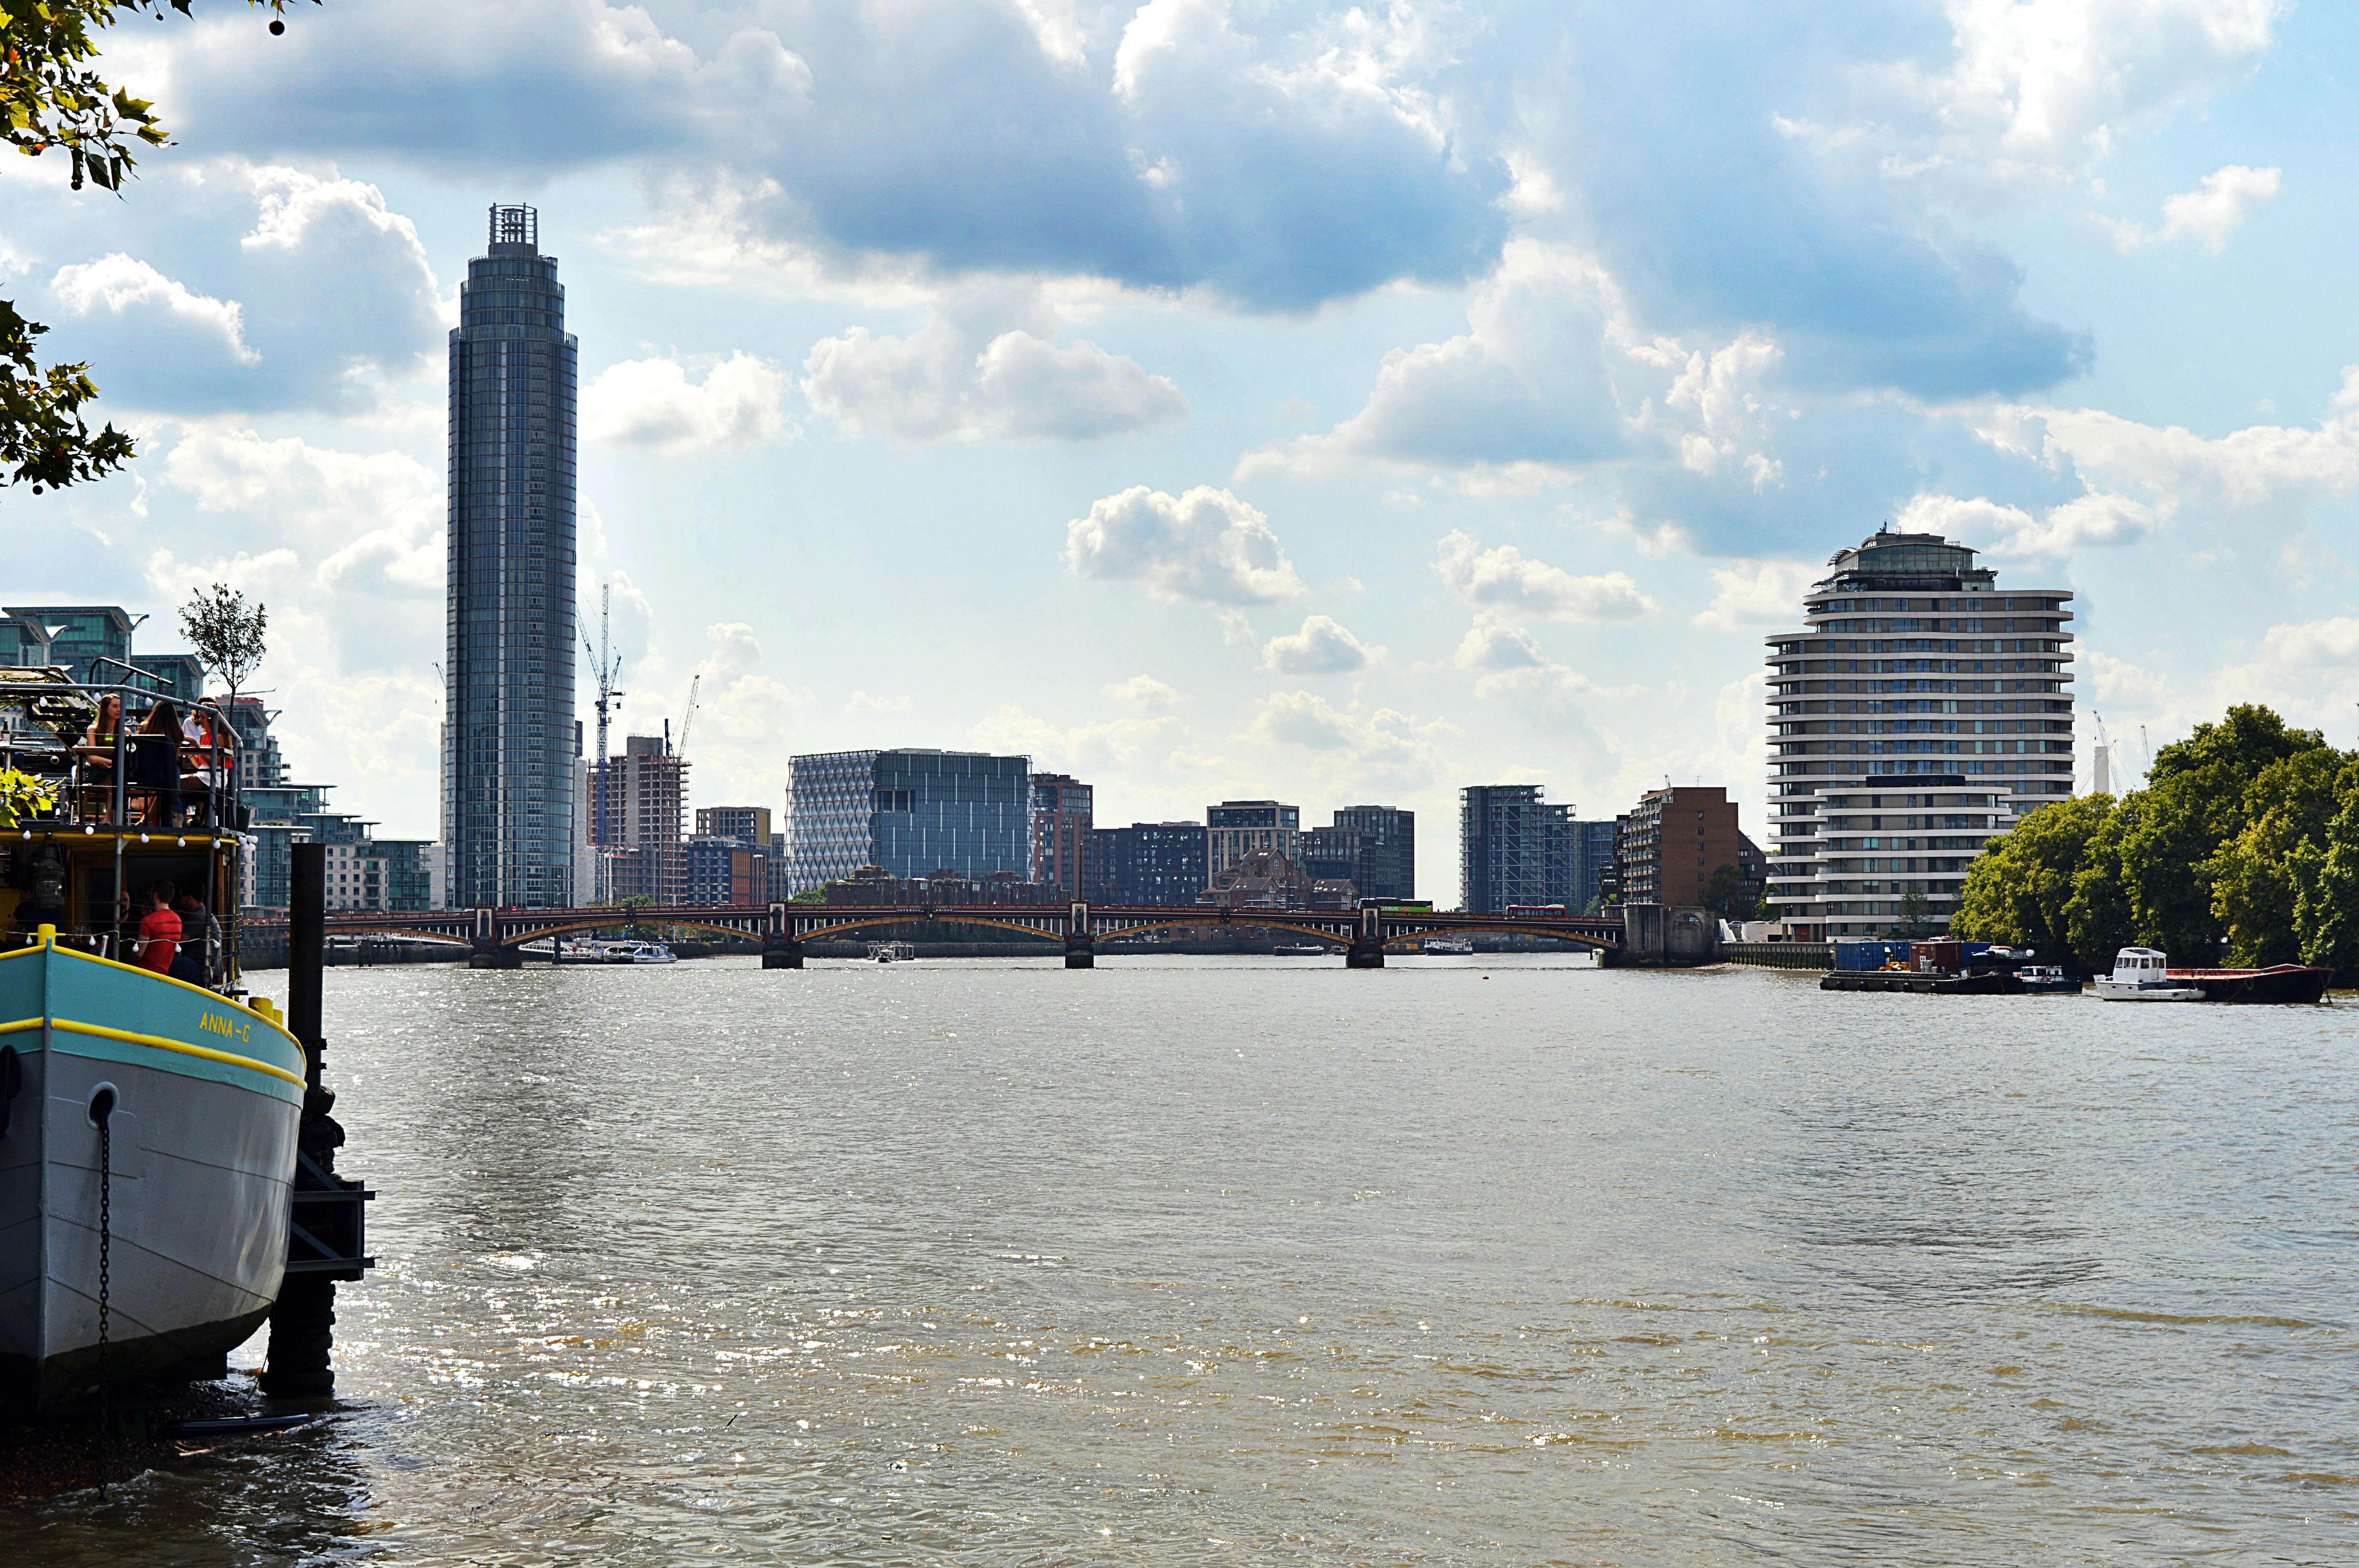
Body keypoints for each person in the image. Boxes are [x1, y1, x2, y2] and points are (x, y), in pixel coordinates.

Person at [171, 889, 220, 985]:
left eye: (181, 898)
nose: (179, 901)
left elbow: (176, 943)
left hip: (200, 970)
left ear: (189, 898)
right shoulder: (204, 914)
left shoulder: (198, 917)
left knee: (164, 961)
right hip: (208, 968)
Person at [137, 881, 182, 975]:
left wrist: (127, 959)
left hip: (144, 974)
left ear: (155, 895)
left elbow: (138, 954)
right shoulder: (178, 921)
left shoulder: (148, 921)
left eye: (150, 893)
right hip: (163, 975)